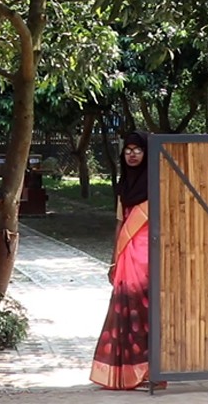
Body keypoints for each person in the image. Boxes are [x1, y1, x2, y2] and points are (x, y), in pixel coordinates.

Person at [90, 131, 162, 391]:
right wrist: (113, 259)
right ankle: (129, 372)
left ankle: (153, 370)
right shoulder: (123, 186)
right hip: (127, 256)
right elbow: (120, 222)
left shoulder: (157, 184)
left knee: (148, 310)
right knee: (126, 310)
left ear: (147, 154)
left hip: (150, 257)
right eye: (128, 149)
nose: (132, 154)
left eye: (138, 149)